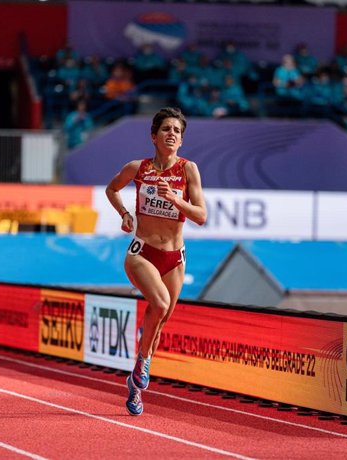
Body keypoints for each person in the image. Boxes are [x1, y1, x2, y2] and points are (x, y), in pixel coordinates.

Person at [105, 108, 207, 416]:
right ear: (154, 136)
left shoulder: (189, 170)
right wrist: (125, 214)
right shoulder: (138, 168)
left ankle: (135, 384)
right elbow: (112, 189)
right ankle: (145, 361)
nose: (172, 134)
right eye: (166, 129)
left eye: (177, 130)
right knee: (160, 305)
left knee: (159, 319)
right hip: (142, 252)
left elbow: (201, 216)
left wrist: (176, 199)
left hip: (175, 258)